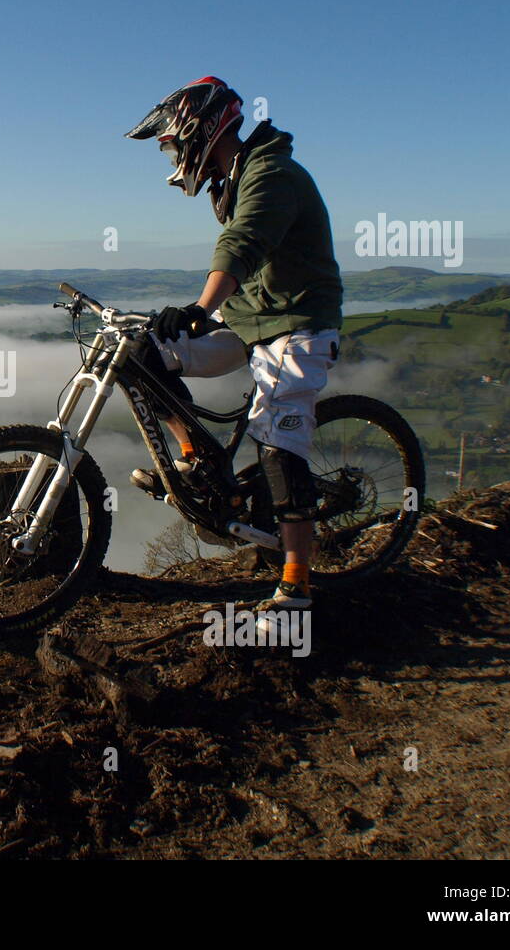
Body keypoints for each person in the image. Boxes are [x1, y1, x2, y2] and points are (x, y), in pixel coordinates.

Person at [124, 76, 343, 625]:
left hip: (298, 325)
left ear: (201, 130)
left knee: (279, 448)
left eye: (172, 144)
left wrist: (198, 309)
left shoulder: (271, 175)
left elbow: (242, 245)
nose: (172, 156)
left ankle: (296, 587)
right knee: (143, 357)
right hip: (251, 320)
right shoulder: (236, 178)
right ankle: (197, 463)